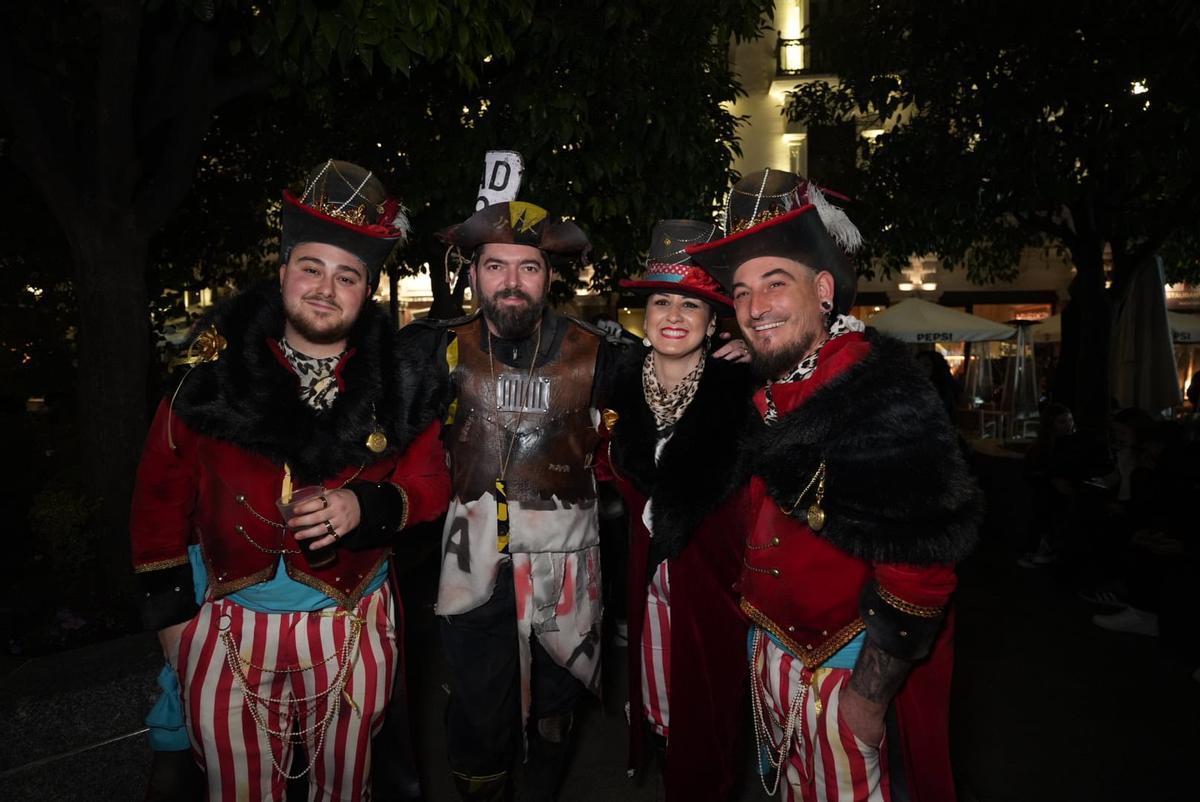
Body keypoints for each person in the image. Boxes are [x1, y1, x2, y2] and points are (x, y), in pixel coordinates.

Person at [131, 160, 450, 801]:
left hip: (354, 623)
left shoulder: (404, 386)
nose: (326, 289)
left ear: (366, 292)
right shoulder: (206, 384)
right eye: (311, 268)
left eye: (347, 275)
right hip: (225, 628)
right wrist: (173, 625)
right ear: (282, 274)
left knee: (346, 787)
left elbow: (431, 482)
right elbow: (159, 498)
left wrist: (368, 505)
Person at [686, 168, 981, 802]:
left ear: (823, 290)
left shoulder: (880, 390)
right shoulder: (767, 390)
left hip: (844, 680)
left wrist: (868, 700)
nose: (754, 308)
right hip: (773, 660)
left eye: (774, 284)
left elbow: (922, 568)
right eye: (740, 292)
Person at [409, 200, 607, 802]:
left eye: (528, 267)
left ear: (549, 277)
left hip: (566, 566)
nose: (512, 282)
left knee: (555, 707)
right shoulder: (430, 350)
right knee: (478, 713)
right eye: (496, 266)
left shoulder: (601, 352)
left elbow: (667, 403)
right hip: (472, 567)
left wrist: (723, 367)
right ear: (473, 275)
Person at [597, 219, 755, 799]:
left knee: (709, 737)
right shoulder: (616, 389)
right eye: (662, 300)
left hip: (714, 601)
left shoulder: (741, 396)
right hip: (643, 596)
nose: (674, 315)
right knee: (660, 726)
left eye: (692, 306)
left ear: (714, 324)